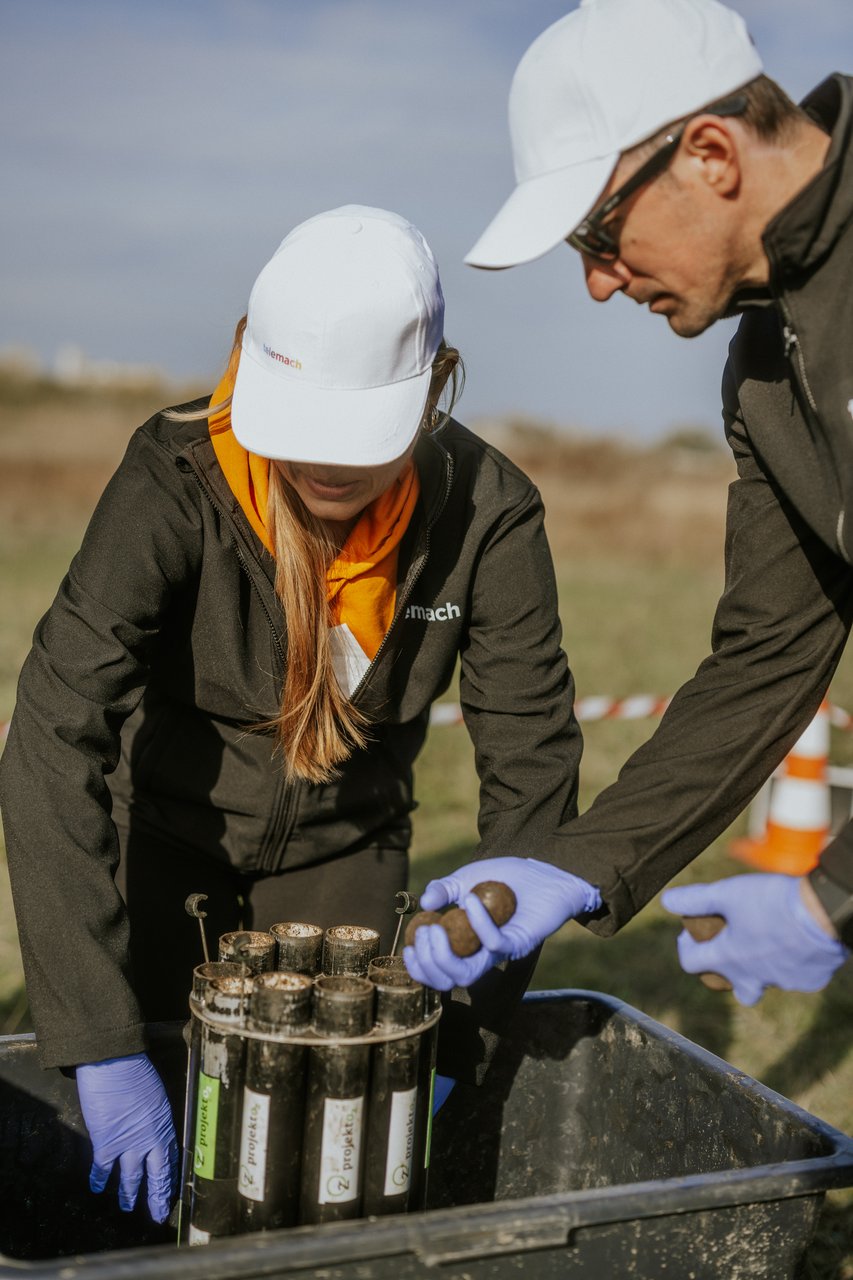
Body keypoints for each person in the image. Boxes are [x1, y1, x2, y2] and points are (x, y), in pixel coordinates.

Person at [0, 206, 582, 1222]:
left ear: (434, 384)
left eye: (355, 439)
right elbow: (55, 726)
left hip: (344, 853)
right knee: (160, 1183)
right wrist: (96, 1037)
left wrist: (466, 1030)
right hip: (167, 838)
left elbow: (530, 770)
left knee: (323, 1181)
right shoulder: (173, 477)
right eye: (302, 431)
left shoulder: (490, 513)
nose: (323, 469)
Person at [404, 0, 853, 1007]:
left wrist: (834, 896)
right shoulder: (761, 366)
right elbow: (770, 652)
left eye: (598, 233)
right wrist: (578, 862)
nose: (598, 283)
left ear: (708, 154)